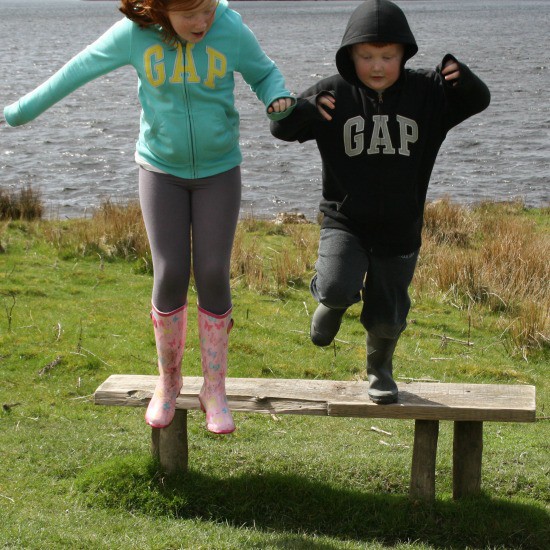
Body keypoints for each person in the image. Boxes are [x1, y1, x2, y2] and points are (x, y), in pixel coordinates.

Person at [4, 0, 294, 433]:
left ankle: (214, 389)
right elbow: (78, 68)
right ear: (162, 11)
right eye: (189, 14)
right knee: (171, 270)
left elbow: (264, 73)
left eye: (207, 9)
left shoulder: (229, 28)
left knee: (213, 270)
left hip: (219, 171)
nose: (202, 22)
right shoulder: (134, 35)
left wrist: (276, 97)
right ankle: (169, 383)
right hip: (160, 170)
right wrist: (22, 109)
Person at [270, 0, 490, 404]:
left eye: (387, 56)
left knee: (388, 317)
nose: (376, 66)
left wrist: (464, 78)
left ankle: (380, 369)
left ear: (404, 53)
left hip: (401, 227)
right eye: (366, 56)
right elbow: (280, 128)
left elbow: (478, 101)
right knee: (338, 287)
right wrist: (302, 109)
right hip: (346, 220)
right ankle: (332, 302)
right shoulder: (332, 93)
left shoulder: (427, 93)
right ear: (349, 54)